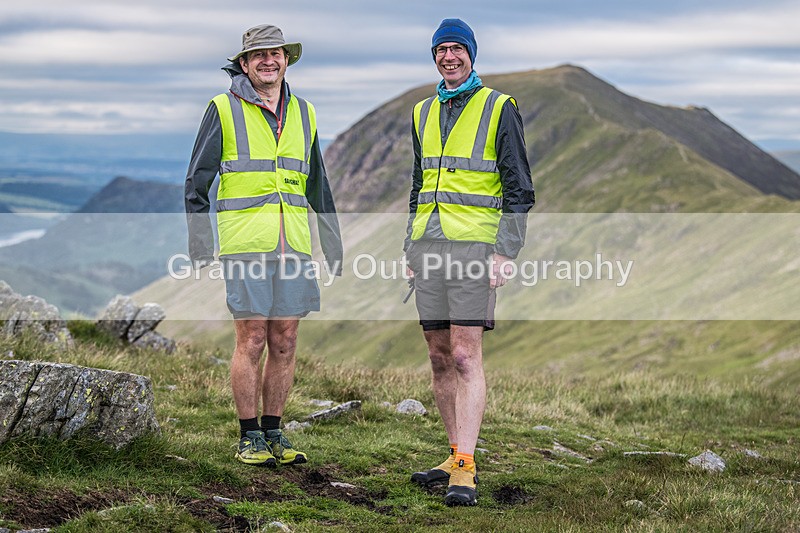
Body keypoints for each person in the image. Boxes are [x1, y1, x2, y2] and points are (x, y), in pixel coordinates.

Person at [185, 24, 343, 467]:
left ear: (286, 60)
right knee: (252, 339)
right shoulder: (222, 108)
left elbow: (318, 186)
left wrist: (332, 244)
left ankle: (275, 431)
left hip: (292, 243)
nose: (267, 61)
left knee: (286, 339)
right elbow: (196, 183)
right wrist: (201, 245)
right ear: (244, 64)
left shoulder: (305, 112)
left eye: (275, 54)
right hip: (246, 243)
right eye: (258, 56)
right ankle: (248, 435)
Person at [404, 18, 534, 506]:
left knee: (464, 355)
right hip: (429, 248)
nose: (449, 57)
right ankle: (454, 452)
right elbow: (419, 186)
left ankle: (466, 467)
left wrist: (506, 250)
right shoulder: (421, 112)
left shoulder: (500, 107)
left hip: (477, 249)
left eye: (458, 49)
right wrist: (410, 250)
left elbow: (519, 185)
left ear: (472, 55)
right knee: (438, 356)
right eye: (441, 50)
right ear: (434, 56)